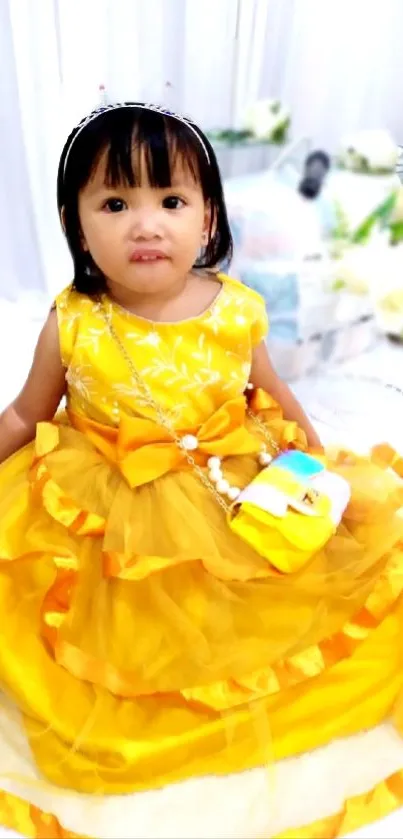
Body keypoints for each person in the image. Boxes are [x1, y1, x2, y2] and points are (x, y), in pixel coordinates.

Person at [0, 103, 402, 839]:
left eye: (171, 201)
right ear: (74, 223)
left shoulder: (234, 310)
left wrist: (312, 471)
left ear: (208, 217)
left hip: (228, 478)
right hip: (110, 496)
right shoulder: (75, 321)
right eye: (116, 203)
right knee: (120, 630)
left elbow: (273, 397)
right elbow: (28, 413)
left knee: (262, 597)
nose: (145, 224)